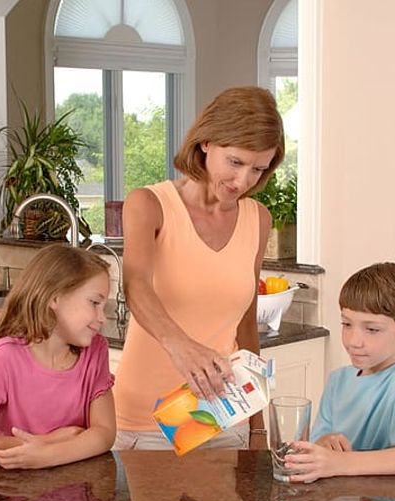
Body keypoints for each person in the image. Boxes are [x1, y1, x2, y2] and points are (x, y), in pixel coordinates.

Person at [113, 86, 284, 450]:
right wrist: (181, 346)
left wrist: (257, 427)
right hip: (145, 419)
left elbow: (246, 324)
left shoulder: (258, 219)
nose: (243, 182)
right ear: (206, 142)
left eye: (258, 169)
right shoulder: (149, 204)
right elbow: (136, 287)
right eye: (235, 162)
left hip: (220, 414)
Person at [284, 262, 395, 482]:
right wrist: (324, 444)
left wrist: (339, 463)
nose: (354, 341)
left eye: (372, 329)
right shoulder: (338, 381)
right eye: (347, 324)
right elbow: (316, 445)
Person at [0, 244, 116, 469]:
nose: (102, 318)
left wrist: (48, 454)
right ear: (54, 298)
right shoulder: (3, 357)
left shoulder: (96, 351)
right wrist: (46, 443)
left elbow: (105, 433)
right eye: (94, 303)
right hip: (17, 495)